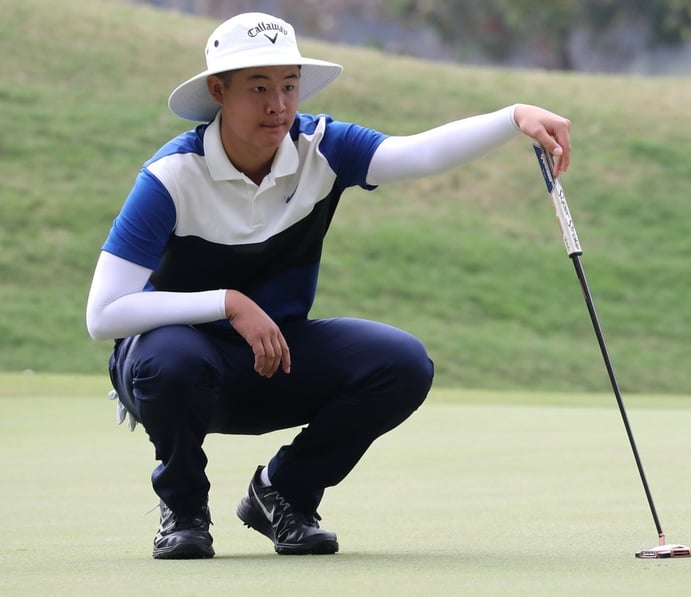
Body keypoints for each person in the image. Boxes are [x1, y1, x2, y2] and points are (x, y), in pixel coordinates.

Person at [85, 12, 571, 560]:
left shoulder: (323, 146)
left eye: (289, 86)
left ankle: (283, 493)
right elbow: (103, 314)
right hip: (179, 368)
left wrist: (513, 117)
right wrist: (228, 303)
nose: (278, 105)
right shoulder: (170, 177)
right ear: (219, 91)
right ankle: (184, 511)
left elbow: (418, 154)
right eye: (259, 88)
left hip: (274, 359)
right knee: (169, 360)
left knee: (401, 363)